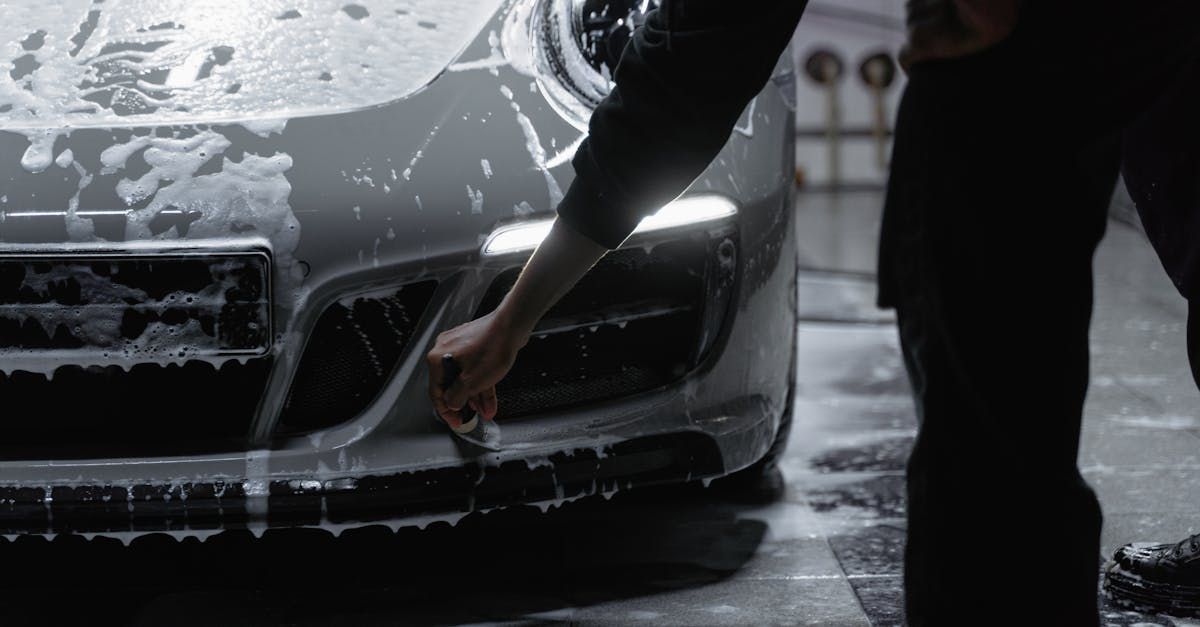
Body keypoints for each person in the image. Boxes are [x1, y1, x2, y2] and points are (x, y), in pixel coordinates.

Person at [427, 1, 1200, 624]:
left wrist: (516, 317)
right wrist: (517, 315)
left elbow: (695, 64)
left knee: (990, 450)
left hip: (1015, 47)